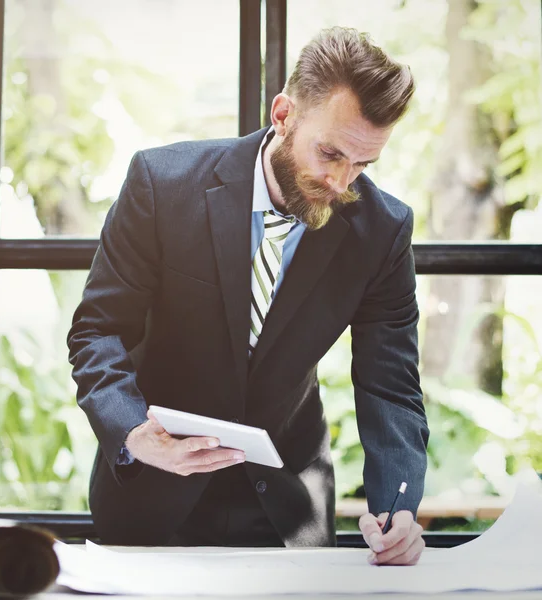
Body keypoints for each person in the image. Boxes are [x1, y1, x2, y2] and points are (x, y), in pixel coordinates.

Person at [67, 26, 429, 566]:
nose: (341, 182)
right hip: (153, 495)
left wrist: (398, 505)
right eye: (330, 153)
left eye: (362, 165)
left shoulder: (382, 229)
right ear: (284, 115)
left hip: (288, 507)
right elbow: (98, 330)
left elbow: (391, 386)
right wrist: (134, 431)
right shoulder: (161, 184)